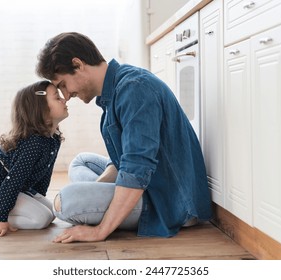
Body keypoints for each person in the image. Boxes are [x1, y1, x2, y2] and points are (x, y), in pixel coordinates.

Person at [35, 32, 212, 243]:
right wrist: (94, 191)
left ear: (78, 64)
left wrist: (99, 231)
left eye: (63, 84)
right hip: (151, 183)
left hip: (167, 200)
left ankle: (106, 210)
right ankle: (105, 203)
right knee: (81, 162)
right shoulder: (116, 89)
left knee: (65, 202)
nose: (66, 95)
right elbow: (122, 162)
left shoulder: (134, 89)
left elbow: (136, 168)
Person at [0, 80, 69, 237]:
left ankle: (2, 212)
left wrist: (37, 196)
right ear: (41, 109)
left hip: (18, 190)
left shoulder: (53, 138)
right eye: (57, 98)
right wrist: (1, 217)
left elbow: (45, 171)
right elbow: (12, 180)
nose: (64, 100)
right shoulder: (34, 142)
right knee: (41, 219)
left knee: (51, 213)